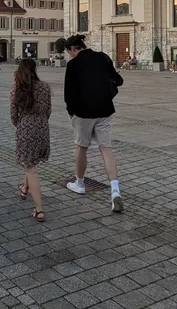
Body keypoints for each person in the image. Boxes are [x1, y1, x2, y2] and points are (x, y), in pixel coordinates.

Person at [63, 34, 125, 213]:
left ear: (73, 49)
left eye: (70, 53)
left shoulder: (73, 65)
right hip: (105, 110)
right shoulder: (103, 57)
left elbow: (69, 94)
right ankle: (115, 191)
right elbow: (118, 80)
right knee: (106, 149)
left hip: (83, 112)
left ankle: (80, 183)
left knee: (82, 147)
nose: (70, 56)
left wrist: (71, 113)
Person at [11, 59, 51, 222]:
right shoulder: (44, 87)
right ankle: (24, 188)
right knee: (32, 164)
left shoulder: (17, 89)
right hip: (42, 129)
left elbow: (13, 116)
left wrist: (23, 124)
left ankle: (39, 209)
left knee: (31, 168)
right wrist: (39, 121)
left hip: (26, 129)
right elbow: (48, 111)